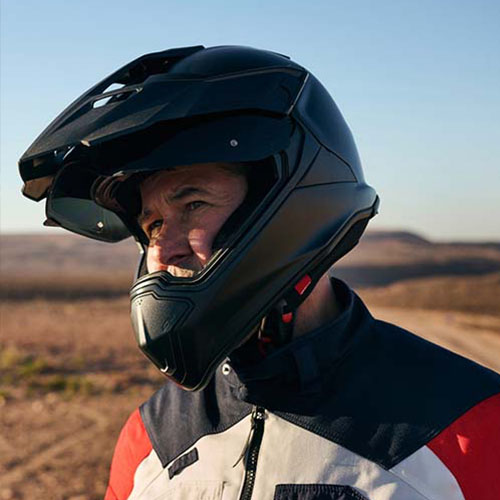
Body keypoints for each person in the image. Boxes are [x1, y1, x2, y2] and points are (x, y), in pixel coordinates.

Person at [19, 45, 500, 500]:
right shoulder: (149, 438)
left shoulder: (472, 424)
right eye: (153, 224)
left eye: (194, 204)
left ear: (290, 207)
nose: (162, 250)